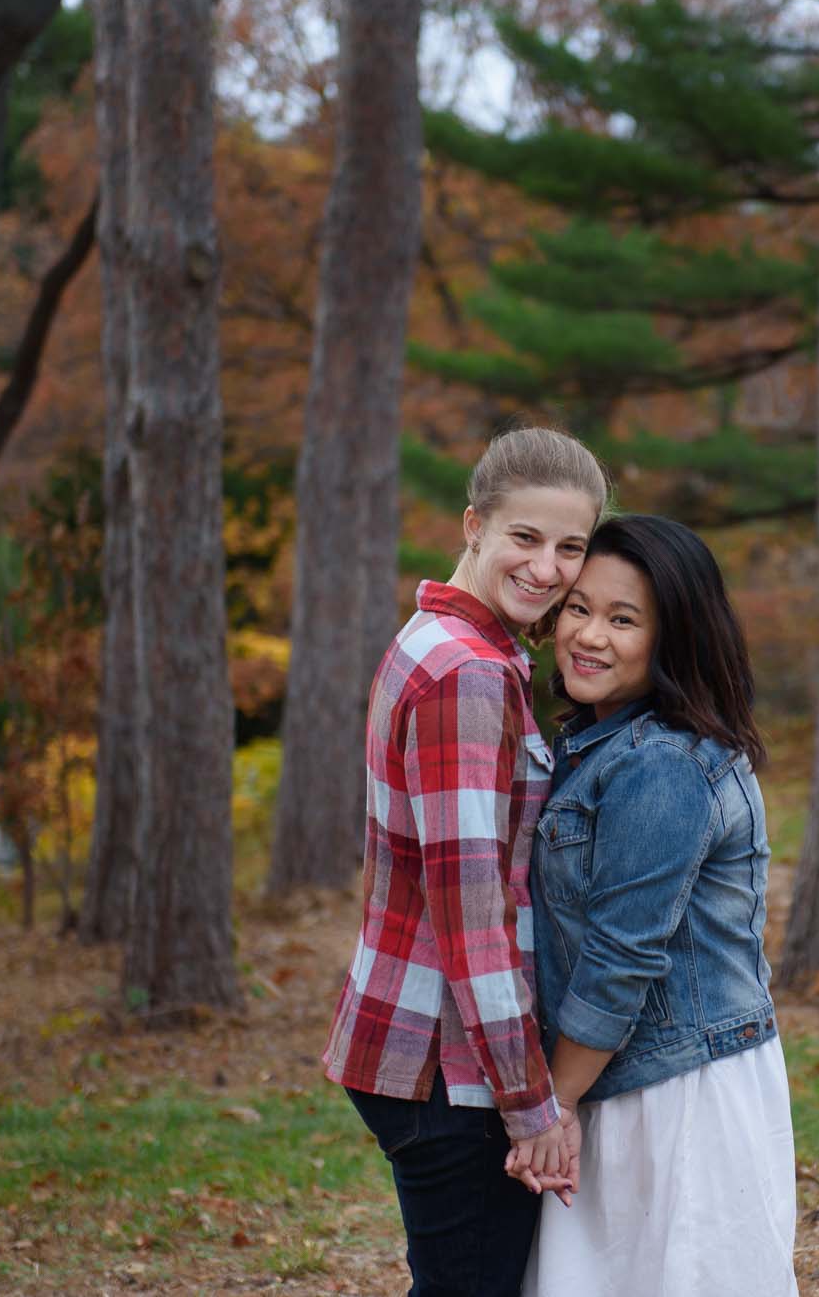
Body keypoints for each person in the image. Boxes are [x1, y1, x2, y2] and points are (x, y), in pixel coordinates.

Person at [322, 426, 609, 1297]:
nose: (549, 568)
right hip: (447, 1067)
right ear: (474, 523)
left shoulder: (440, 639)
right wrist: (533, 1108)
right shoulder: (468, 676)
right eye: (526, 537)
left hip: (423, 1044)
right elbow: (473, 917)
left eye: (572, 546)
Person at [518, 515, 799, 1297]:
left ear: (673, 638)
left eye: (623, 618)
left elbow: (620, 956)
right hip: (618, 1072)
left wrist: (553, 1106)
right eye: (579, 608)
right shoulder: (602, 743)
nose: (589, 636)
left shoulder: (662, 764)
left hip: (676, 1093)